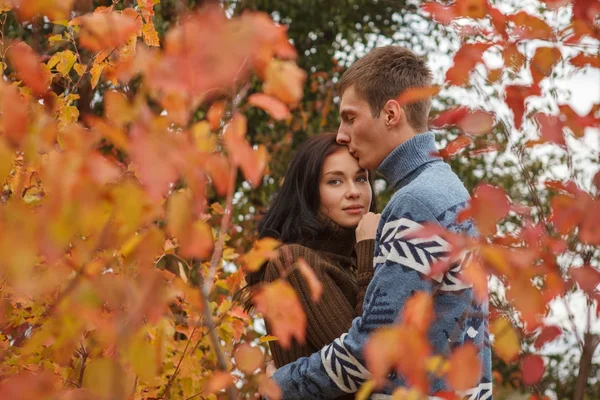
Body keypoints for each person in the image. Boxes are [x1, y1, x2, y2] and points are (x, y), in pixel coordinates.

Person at [269, 46, 492, 399]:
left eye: (350, 117)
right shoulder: (449, 191)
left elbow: (371, 350)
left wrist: (277, 384)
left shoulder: (416, 203)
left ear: (390, 114)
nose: (342, 134)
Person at [241, 133, 381, 384]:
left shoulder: (353, 260)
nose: (353, 192)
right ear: (309, 193)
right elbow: (362, 363)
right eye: (335, 182)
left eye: (361, 178)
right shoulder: (294, 263)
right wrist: (369, 252)